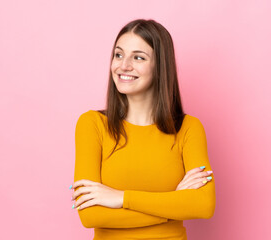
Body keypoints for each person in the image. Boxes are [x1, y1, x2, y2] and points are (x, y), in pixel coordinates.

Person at [69, 19, 216, 240]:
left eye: (138, 57)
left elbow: (203, 206)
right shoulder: (92, 124)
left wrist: (120, 198)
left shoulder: (188, 128)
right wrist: (174, 203)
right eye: (119, 55)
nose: (123, 65)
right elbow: (91, 215)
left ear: (160, 66)